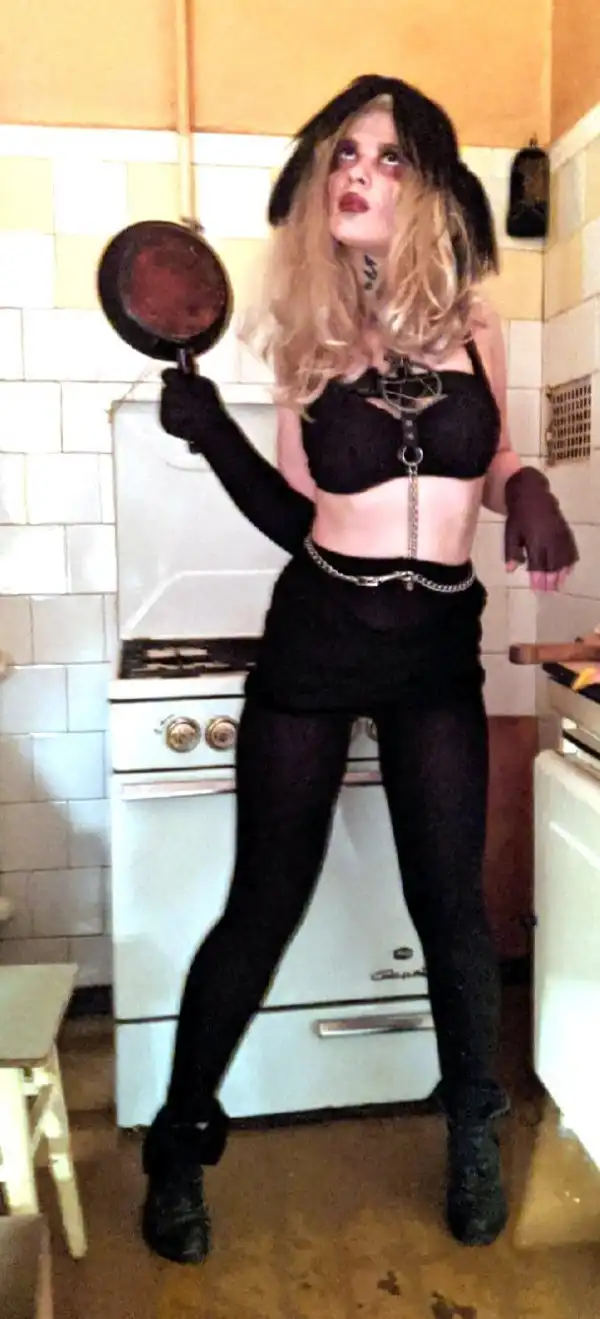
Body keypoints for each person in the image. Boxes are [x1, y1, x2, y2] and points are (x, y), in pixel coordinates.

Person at [140, 74, 577, 1265]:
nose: (358, 173)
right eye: (343, 152)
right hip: (320, 639)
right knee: (264, 903)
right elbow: (299, 516)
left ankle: (472, 1128)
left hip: (437, 648)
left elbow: (497, 460)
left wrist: (530, 488)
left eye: (387, 156)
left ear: (426, 184)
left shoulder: (476, 320)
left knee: (452, 907)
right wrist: (214, 435)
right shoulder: (310, 332)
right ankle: (179, 1141)